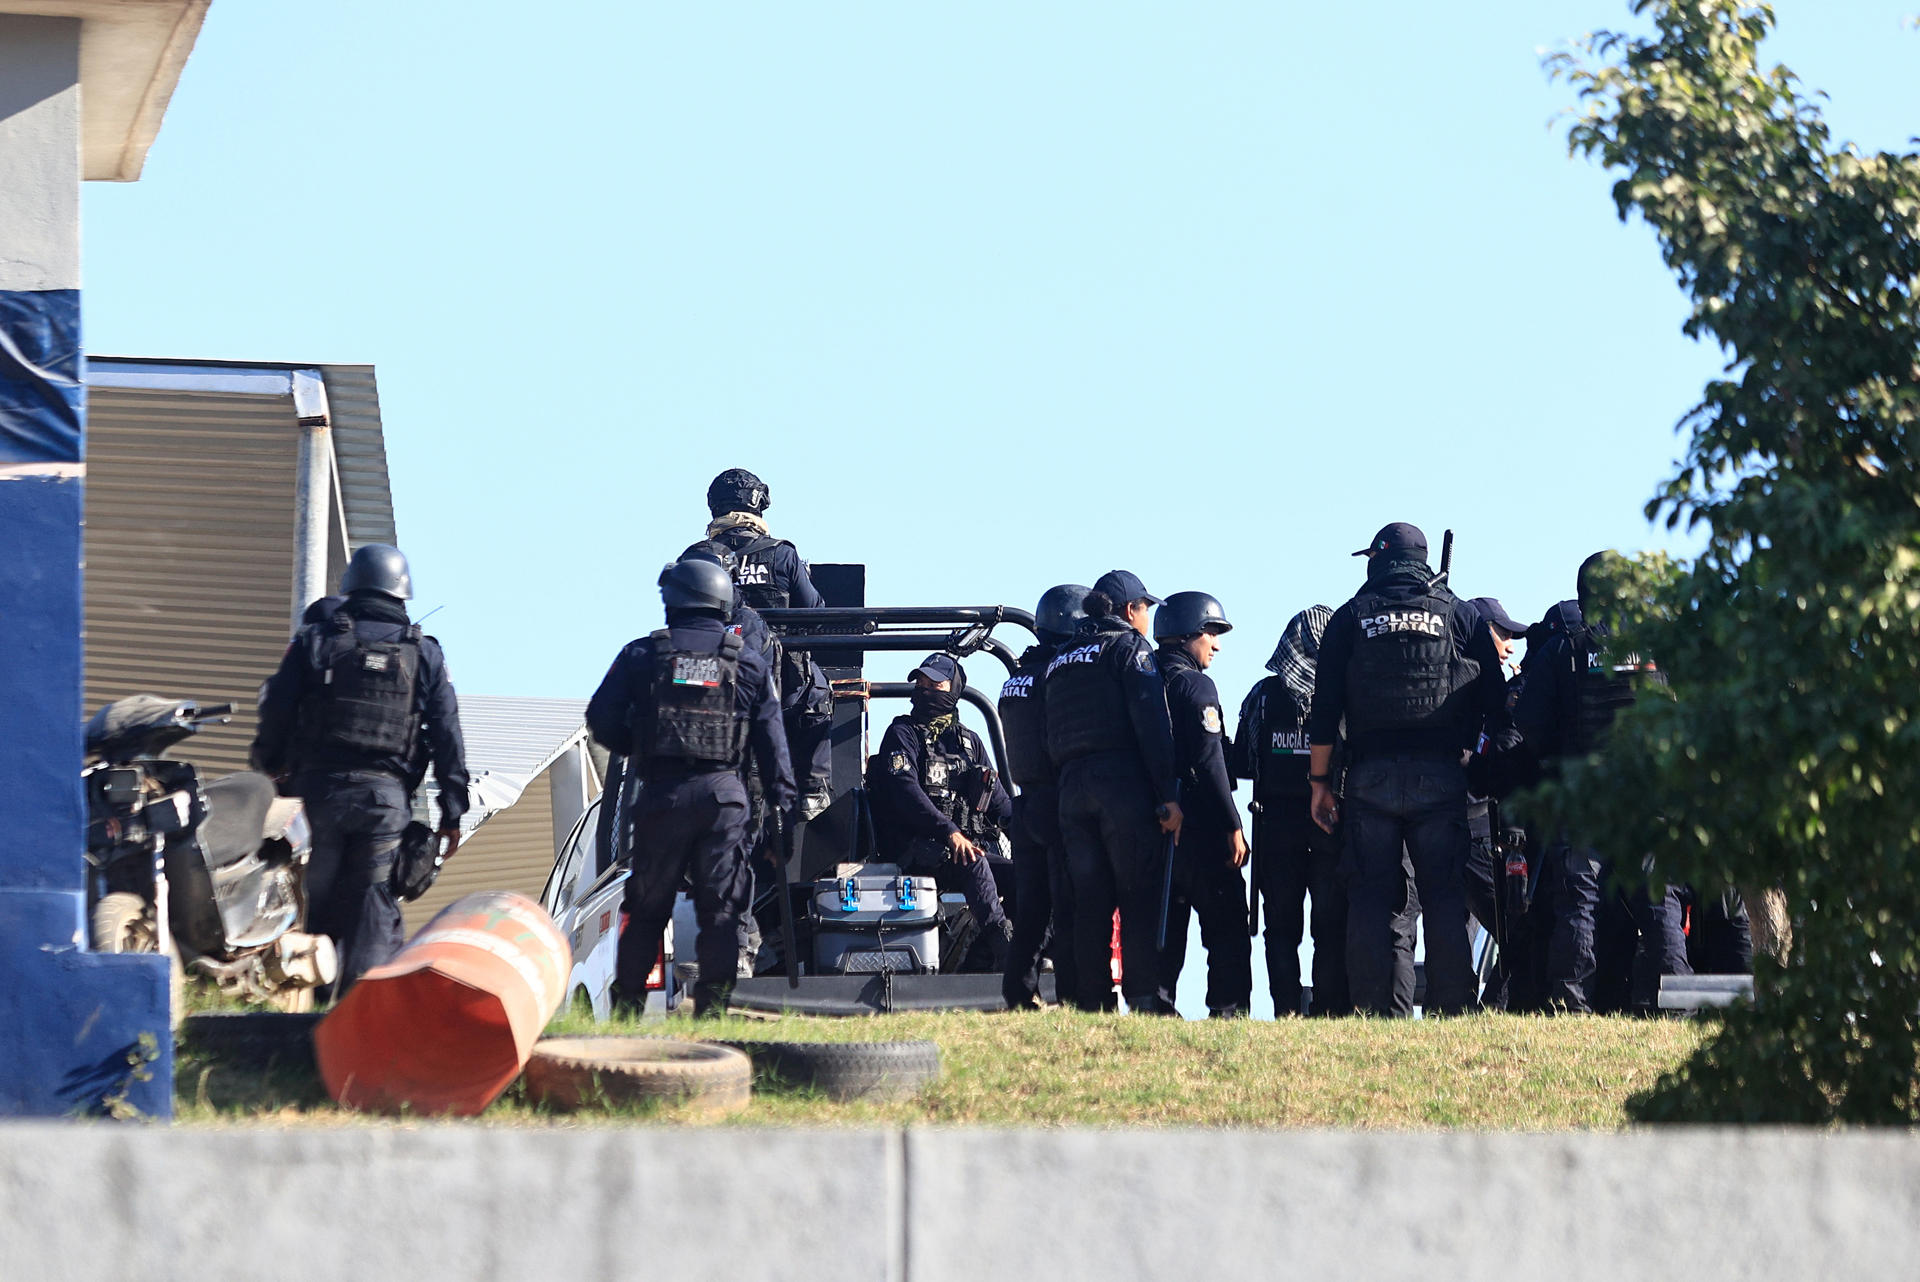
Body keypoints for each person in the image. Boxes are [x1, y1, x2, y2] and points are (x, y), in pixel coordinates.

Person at [251, 543, 469, 996]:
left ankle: (302, 1018)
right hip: (383, 804)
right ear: (402, 591)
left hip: (315, 798)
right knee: (372, 909)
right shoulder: (423, 652)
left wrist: (268, 767)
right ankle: (360, 1018)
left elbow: (277, 709)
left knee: (311, 908)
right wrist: (452, 811)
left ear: (350, 584)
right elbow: (447, 732)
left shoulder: (317, 639)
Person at [1307, 522, 1506, 1016]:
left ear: (1378, 559)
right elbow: (1497, 704)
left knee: (1373, 899)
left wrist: (1319, 785)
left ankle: (1374, 1013)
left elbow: (1325, 709)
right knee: (1443, 898)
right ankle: (1453, 1009)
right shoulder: (1459, 614)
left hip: (1369, 779)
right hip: (1441, 776)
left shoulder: (1350, 617)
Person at [585, 554, 793, 1016]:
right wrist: (785, 817)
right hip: (723, 798)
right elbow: (773, 748)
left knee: (648, 908)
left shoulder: (642, 654)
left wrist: (640, 748)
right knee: (720, 911)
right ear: (722, 602)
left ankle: (627, 1011)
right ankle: (714, 1012)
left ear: (674, 601)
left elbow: (600, 719)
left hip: (662, 794)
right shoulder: (750, 664)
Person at [1511, 552, 1689, 1014]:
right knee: (1658, 900)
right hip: (1650, 795)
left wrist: (1560, 757)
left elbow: (1529, 721)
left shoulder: (1565, 648)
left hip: (1584, 794)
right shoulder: (1663, 646)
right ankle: (1680, 1005)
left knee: (1578, 902)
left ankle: (1570, 1005)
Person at [1045, 570, 1182, 1013]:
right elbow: (1153, 724)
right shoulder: (1130, 648)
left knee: (1090, 903)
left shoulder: (1062, 656)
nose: (1149, 619)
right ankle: (1144, 998)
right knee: (1137, 895)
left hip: (1070, 788)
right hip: (1120, 786)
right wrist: (1168, 794)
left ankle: (1093, 1003)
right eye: (1147, 608)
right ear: (1129, 610)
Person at [1233, 604, 1351, 1017]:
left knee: (1280, 929)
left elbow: (1243, 760)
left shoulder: (1263, 696)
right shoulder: (1343, 694)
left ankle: (1286, 1010)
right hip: (1330, 825)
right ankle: (1328, 1009)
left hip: (1276, 827)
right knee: (1330, 927)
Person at [703, 467, 834, 818]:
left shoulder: (695, 557)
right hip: (780, 689)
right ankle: (810, 788)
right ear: (759, 503)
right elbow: (815, 612)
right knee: (819, 690)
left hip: (705, 684)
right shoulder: (781, 554)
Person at [869, 653, 1014, 966]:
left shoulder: (970, 742)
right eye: (920, 682)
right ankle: (1006, 952)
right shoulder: (902, 734)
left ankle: (992, 957)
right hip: (914, 850)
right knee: (973, 861)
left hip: (962, 852)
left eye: (934, 683)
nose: (924, 689)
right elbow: (906, 791)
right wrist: (949, 832)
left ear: (954, 689)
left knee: (1022, 876)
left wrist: (1034, 835)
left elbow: (999, 801)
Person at [1151, 592, 1252, 1017]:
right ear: (1189, 633)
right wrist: (1232, 825)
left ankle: (1155, 1013)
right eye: (1211, 632)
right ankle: (1227, 1015)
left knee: (1164, 930)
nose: (1217, 643)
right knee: (1228, 928)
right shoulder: (1195, 684)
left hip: (1154, 825)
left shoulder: (1142, 678)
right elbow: (1210, 762)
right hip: (1201, 827)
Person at [999, 584, 1090, 1009]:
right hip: (1056, 803)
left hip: (1024, 805)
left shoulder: (1014, 679)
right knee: (1067, 908)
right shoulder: (1057, 678)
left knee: (1031, 911)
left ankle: (1018, 993)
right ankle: (1072, 995)